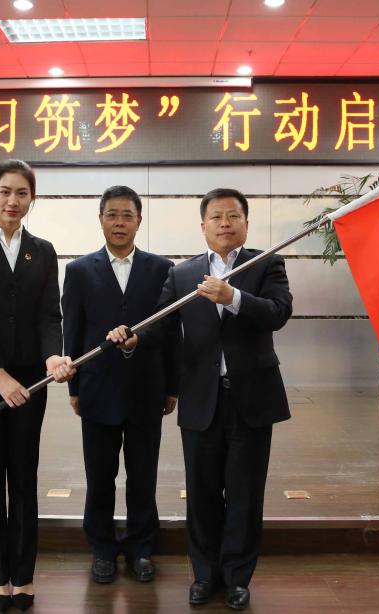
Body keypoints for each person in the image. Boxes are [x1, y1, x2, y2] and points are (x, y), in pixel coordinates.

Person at [108, 188, 292, 611]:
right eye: (216, 217)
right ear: (203, 225)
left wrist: (233, 297)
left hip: (251, 398)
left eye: (233, 216)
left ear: (246, 222)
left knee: (245, 495)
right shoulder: (183, 274)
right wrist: (134, 338)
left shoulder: (266, 263)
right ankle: (205, 575)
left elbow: (278, 312)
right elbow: (161, 324)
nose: (225, 224)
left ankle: (238, 578)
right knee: (202, 492)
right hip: (201, 399)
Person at [0, 159, 75, 612]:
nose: (13, 201)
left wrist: (52, 356)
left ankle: (22, 576)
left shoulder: (42, 251)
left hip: (30, 380)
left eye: (22, 193)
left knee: (24, 474)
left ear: (31, 199)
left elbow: (49, 315)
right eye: (5, 191)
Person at [61, 186, 179, 585]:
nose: (119, 222)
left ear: (139, 221)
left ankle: (141, 549)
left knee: (143, 476)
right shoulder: (79, 271)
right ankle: (102, 549)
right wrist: (74, 389)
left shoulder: (162, 269)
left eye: (127, 215)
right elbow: (73, 332)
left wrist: (172, 386)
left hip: (147, 388)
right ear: (101, 220)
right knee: (100, 476)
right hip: (97, 389)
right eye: (112, 214)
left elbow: (170, 330)